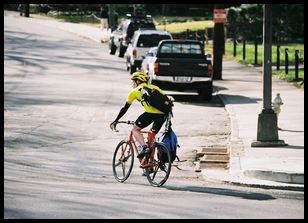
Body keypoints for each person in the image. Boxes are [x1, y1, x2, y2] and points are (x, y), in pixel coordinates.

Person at [110, 71, 168, 159]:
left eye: (133, 82)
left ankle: (144, 148)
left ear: (137, 81)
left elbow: (124, 108)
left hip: (150, 114)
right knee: (151, 136)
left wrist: (116, 120)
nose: (132, 84)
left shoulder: (134, 92)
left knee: (135, 129)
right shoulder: (155, 87)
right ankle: (150, 164)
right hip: (164, 115)